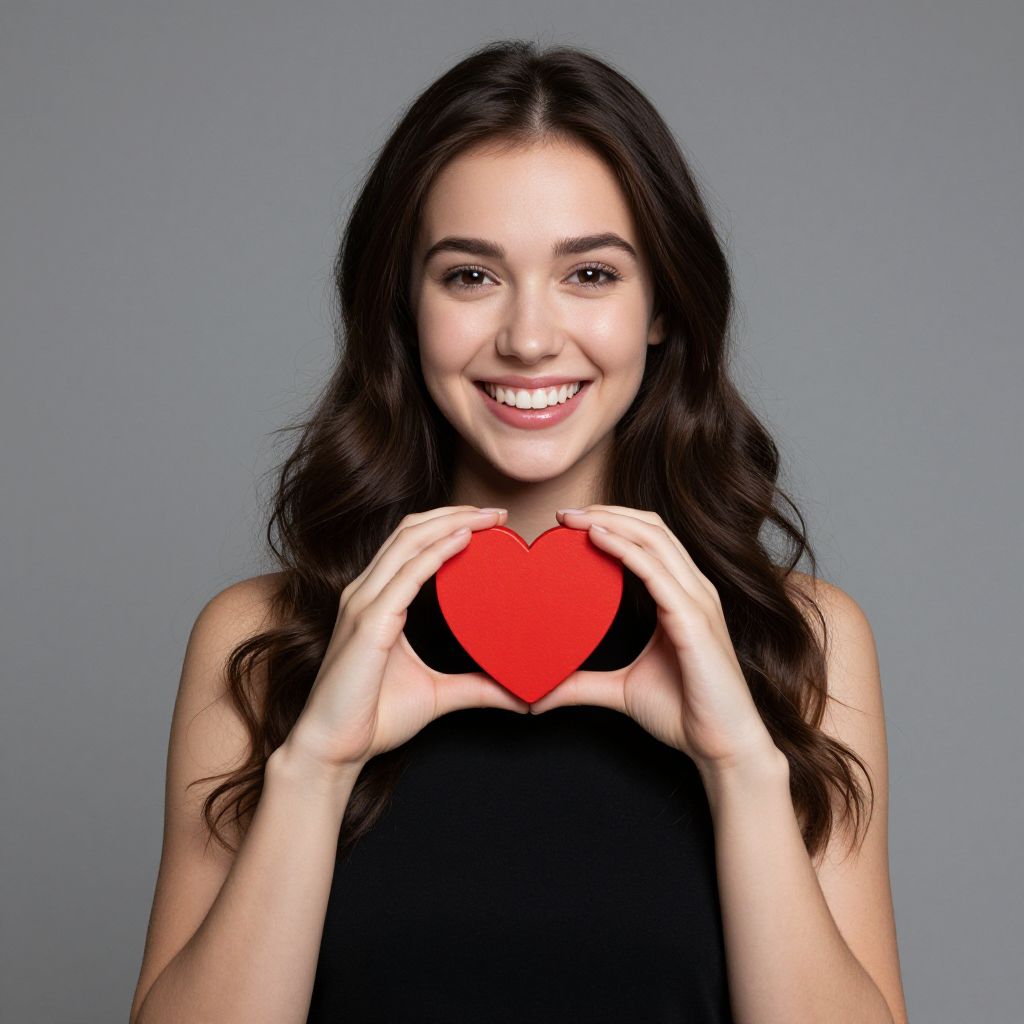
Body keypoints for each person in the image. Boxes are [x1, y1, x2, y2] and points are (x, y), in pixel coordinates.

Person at [129, 38, 908, 1024]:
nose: (530, 336)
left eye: (589, 274)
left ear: (662, 305)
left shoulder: (803, 641)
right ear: (404, 309)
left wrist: (740, 768)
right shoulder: (259, 637)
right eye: (469, 276)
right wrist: (315, 768)